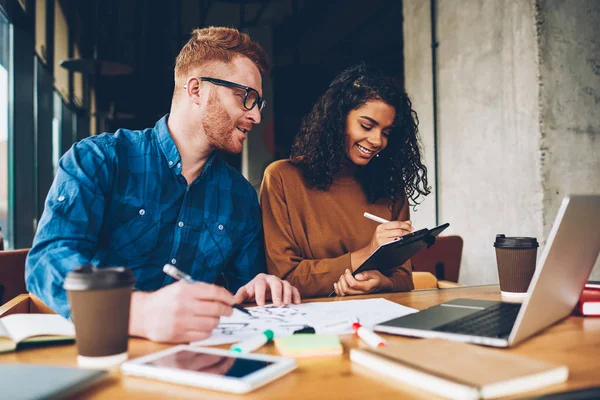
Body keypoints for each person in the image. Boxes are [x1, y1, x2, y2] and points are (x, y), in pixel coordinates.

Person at [26, 27, 300, 344]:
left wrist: (259, 287)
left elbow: (243, 291)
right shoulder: (99, 159)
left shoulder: (240, 195)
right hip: (105, 351)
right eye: (246, 98)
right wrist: (137, 312)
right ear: (196, 89)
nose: (255, 116)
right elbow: (47, 259)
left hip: (200, 363)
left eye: (258, 104)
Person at [260, 63, 430, 298]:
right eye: (366, 125)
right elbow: (285, 277)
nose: (376, 140)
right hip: (311, 322)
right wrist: (367, 253)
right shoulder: (282, 179)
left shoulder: (391, 188)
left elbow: (403, 279)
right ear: (338, 119)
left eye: (386, 132)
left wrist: (382, 283)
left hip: (377, 317)